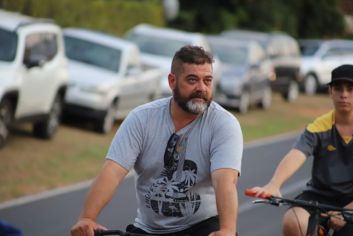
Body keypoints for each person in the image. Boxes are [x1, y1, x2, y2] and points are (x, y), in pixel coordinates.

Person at [71, 45, 243, 236]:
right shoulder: (141, 119)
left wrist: (227, 230)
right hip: (148, 230)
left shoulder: (224, 124)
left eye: (207, 80)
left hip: (202, 227)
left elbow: (225, 182)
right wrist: (87, 218)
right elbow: (112, 171)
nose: (201, 88)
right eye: (192, 80)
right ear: (172, 81)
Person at [249, 64, 353, 236]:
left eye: (351, 89)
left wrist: (345, 211)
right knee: (293, 221)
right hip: (320, 195)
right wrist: (274, 184)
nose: (344, 94)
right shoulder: (320, 126)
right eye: (338, 88)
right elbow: (297, 154)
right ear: (330, 91)